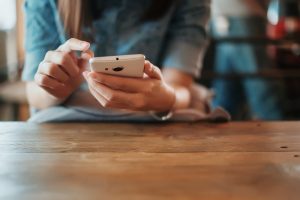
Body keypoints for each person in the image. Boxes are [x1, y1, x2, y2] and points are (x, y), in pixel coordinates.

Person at [22, 0, 211, 122]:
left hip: (152, 124)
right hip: (66, 126)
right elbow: (34, 94)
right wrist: (56, 88)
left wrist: (164, 98)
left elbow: (180, 88)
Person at [211, 0, 283, 120]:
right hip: (227, 18)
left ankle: (282, 137)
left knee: (262, 92)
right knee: (225, 99)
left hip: (242, 16)